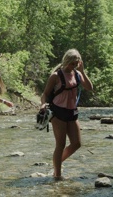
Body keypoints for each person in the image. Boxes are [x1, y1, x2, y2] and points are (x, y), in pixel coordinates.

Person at [39, 49, 93, 180]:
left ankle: (56, 164)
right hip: (58, 112)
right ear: (67, 61)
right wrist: (42, 104)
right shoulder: (55, 76)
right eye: (72, 63)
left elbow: (90, 88)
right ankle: (57, 175)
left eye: (76, 63)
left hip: (72, 112)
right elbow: (45, 94)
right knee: (60, 144)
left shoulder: (78, 74)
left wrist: (83, 71)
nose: (74, 66)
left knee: (76, 143)